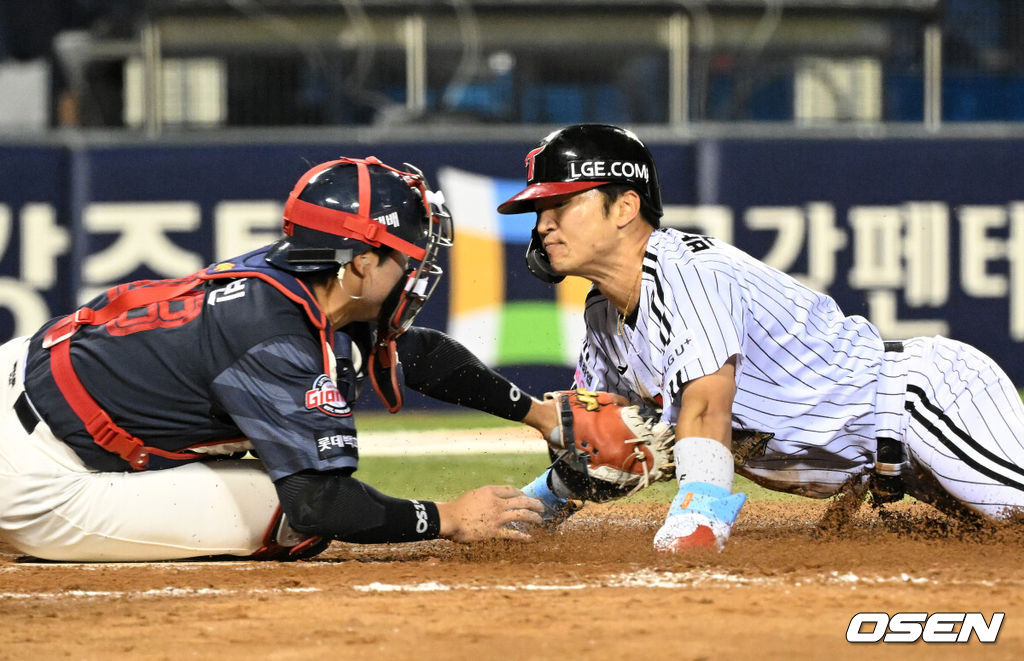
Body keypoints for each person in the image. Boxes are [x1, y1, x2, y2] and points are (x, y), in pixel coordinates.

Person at [0, 155, 553, 562]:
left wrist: (541, 415)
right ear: (361, 262)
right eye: (407, 256)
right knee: (292, 519)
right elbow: (321, 504)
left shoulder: (295, 275)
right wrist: (449, 518)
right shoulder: (275, 336)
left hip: (22, 382)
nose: (417, 271)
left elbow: (414, 353)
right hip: (37, 474)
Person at [499, 123, 1024, 552]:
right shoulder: (603, 318)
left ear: (625, 207)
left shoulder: (689, 273)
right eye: (540, 211)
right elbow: (611, 446)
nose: (543, 224)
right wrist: (525, 512)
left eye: (561, 204)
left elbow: (707, 406)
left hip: (922, 403)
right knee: (995, 541)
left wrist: (699, 516)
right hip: (889, 463)